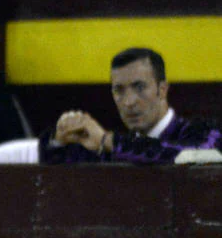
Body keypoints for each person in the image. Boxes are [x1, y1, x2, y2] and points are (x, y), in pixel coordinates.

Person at [40, 48, 221, 164]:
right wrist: (59, 140)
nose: (128, 102)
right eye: (119, 90)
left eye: (140, 87)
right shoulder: (110, 146)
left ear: (162, 90)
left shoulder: (205, 133)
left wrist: (108, 141)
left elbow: (186, 157)